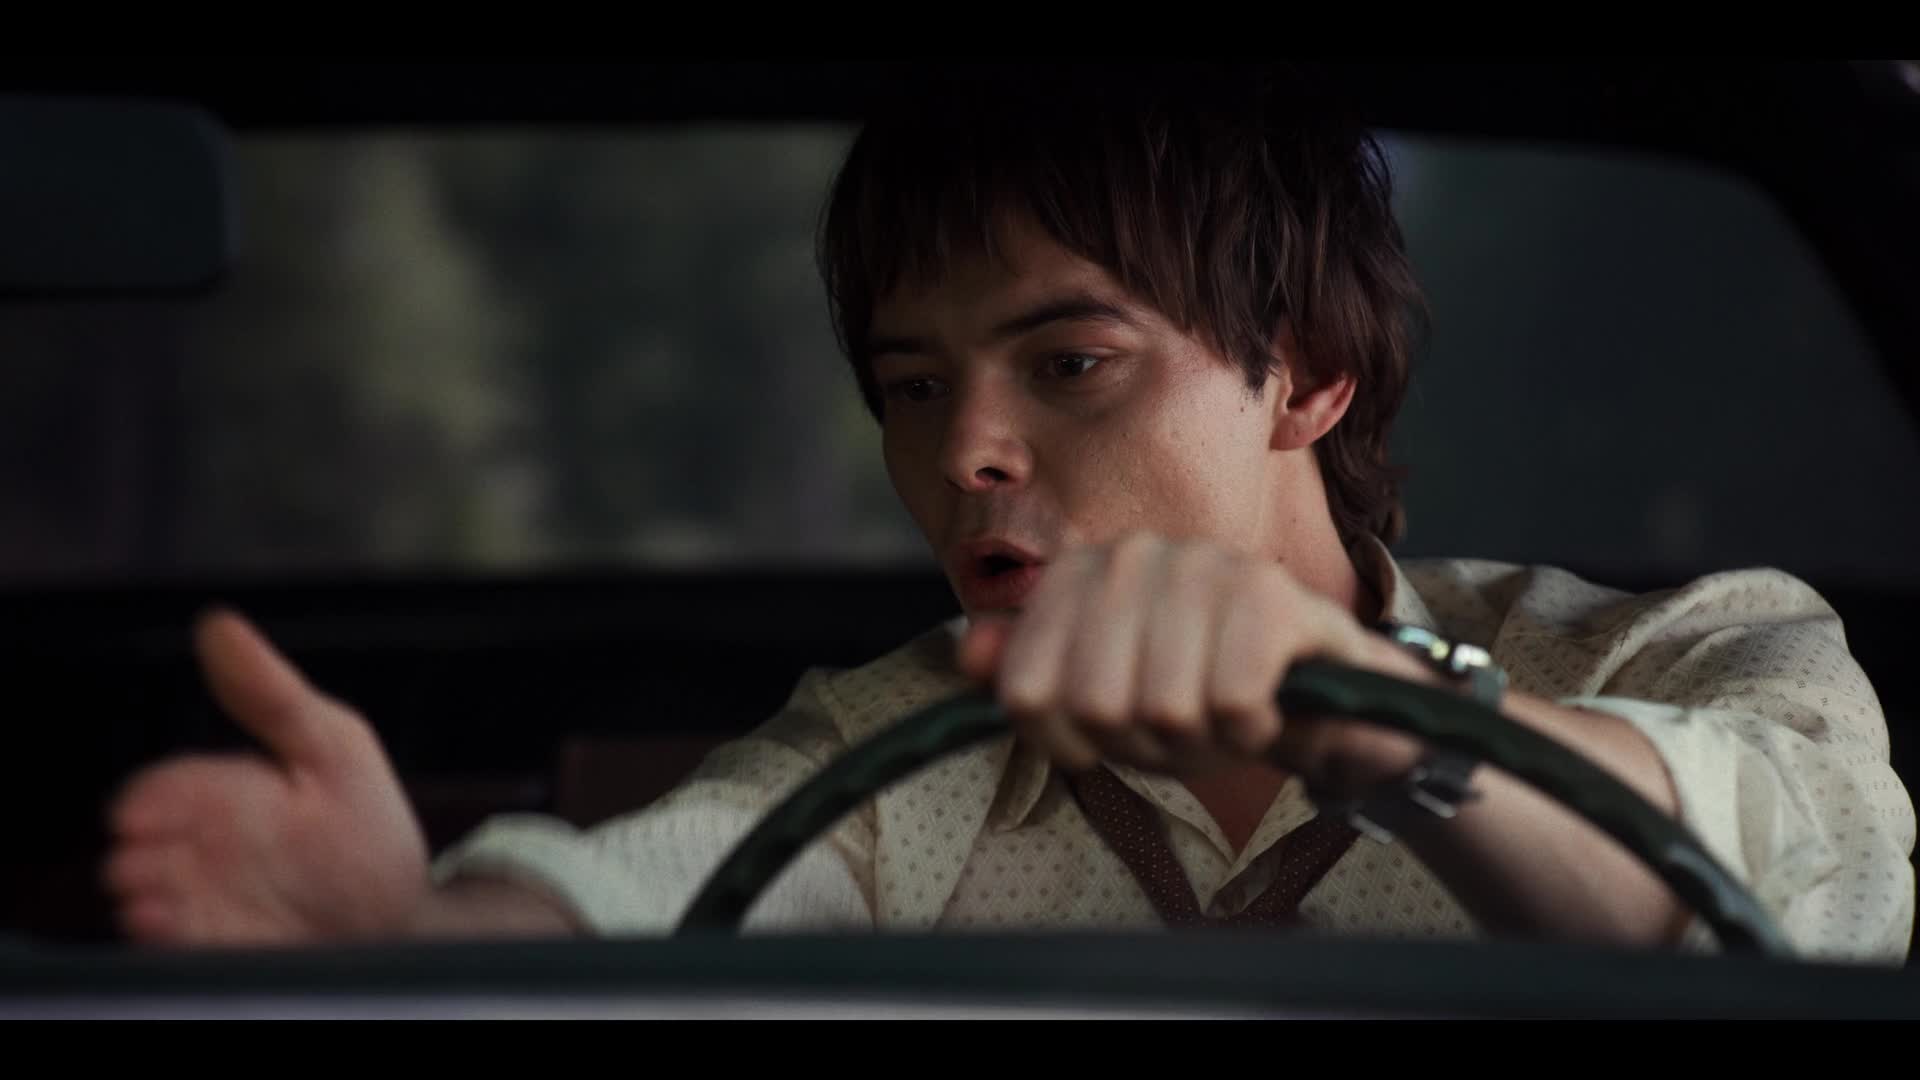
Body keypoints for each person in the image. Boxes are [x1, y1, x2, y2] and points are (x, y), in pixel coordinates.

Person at [101, 66, 1916, 962]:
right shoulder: (903, 742)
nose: (965, 448)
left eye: (1070, 365)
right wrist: (407, 937)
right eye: (911, 385)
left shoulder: (1701, 649)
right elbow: (659, 889)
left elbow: (1793, 890)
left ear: (1303, 378)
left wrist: (1371, 718)